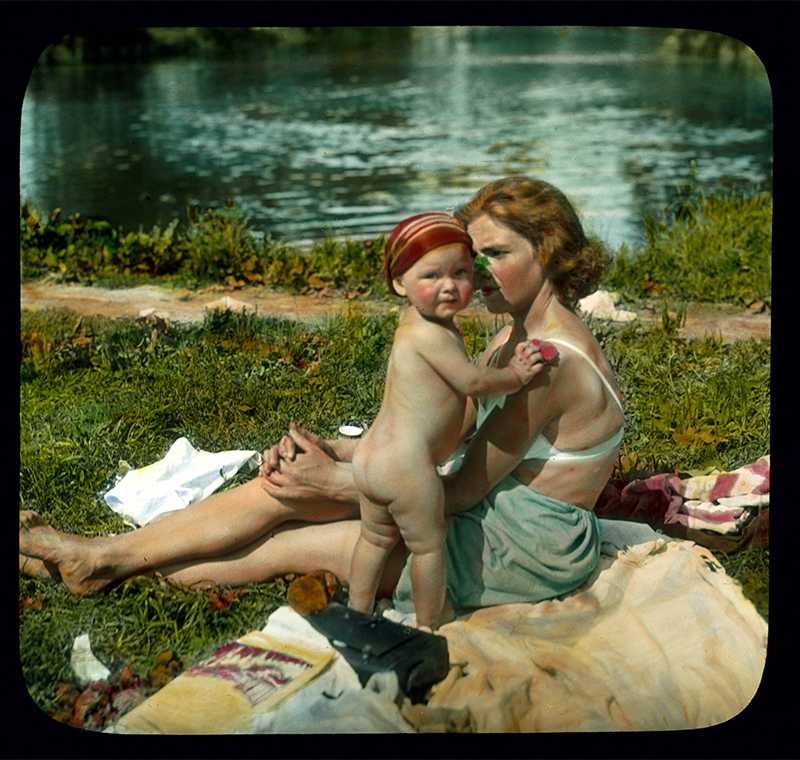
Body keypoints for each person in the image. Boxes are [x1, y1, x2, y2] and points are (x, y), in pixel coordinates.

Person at [19, 176, 623, 623]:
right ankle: (97, 558)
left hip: (521, 546)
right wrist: (338, 449)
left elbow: (462, 489)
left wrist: (337, 485)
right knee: (277, 491)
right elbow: (452, 430)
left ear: (547, 253)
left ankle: (94, 566)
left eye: (499, 254)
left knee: (303, 541)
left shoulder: (550, 365)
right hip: (479, 505)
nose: (478, 273)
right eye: (474, 256)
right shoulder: (513, 337)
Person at [348, 212, 545, 630]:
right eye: (432, 276)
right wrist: (517, 376)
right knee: (429, 548)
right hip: (406, 464)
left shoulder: (414, 323)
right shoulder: (431, 335)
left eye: (460, 272)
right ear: (399, 283)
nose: (450, 286)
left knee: (375, 538)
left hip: (370, 458)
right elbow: (472, 381)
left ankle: (356, 613)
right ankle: (429, 622)